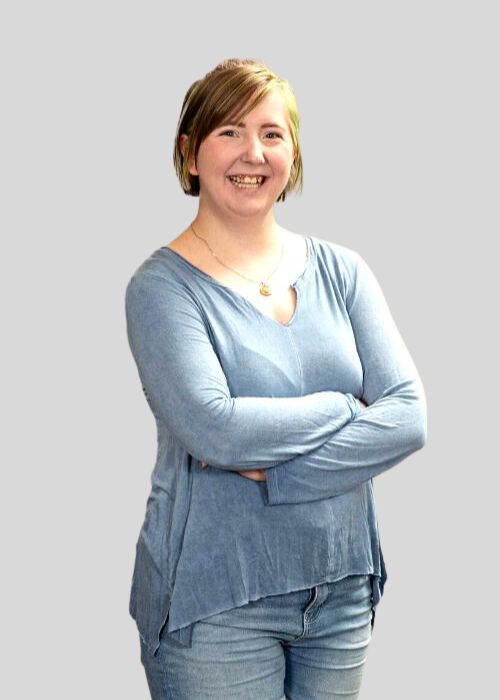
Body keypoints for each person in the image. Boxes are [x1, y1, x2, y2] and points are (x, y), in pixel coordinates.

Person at [124, 58, 427, 700]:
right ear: (190, 153)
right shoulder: (162, 289)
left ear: (294, 151)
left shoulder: (343, 272)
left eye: (271, 133)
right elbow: (218, 430)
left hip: (340, 589)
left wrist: (281, 476)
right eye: (228, 132)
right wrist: (346, 408)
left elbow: (408, 417)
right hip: (214, 601)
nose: (252, 152)